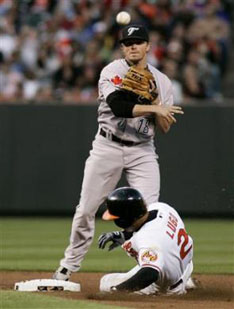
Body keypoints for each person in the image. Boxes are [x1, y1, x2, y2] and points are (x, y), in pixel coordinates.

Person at [53, 24, 184, 282]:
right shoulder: (113, 70)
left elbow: (165, 126)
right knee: (86, 209)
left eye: (137, 41)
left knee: (148, 212)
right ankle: (67, 267)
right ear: (122, 48)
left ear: (148, 46)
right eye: (127, 43)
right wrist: (153, 109)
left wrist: (157, 104)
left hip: (143, 150)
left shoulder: (162, 81)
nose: (132, 46)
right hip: (107, 146)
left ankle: (154, 268)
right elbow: (118, 106)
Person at [99, 187, 195, 295]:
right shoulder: (161, 208)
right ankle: (186, 280)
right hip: (185, 264)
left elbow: (150, 273)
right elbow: (143, 227)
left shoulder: (148, 240)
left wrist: (118, 291)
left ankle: (176, 288)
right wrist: (121, 235)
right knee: (160, 258)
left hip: (166, 287)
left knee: (105, 282)